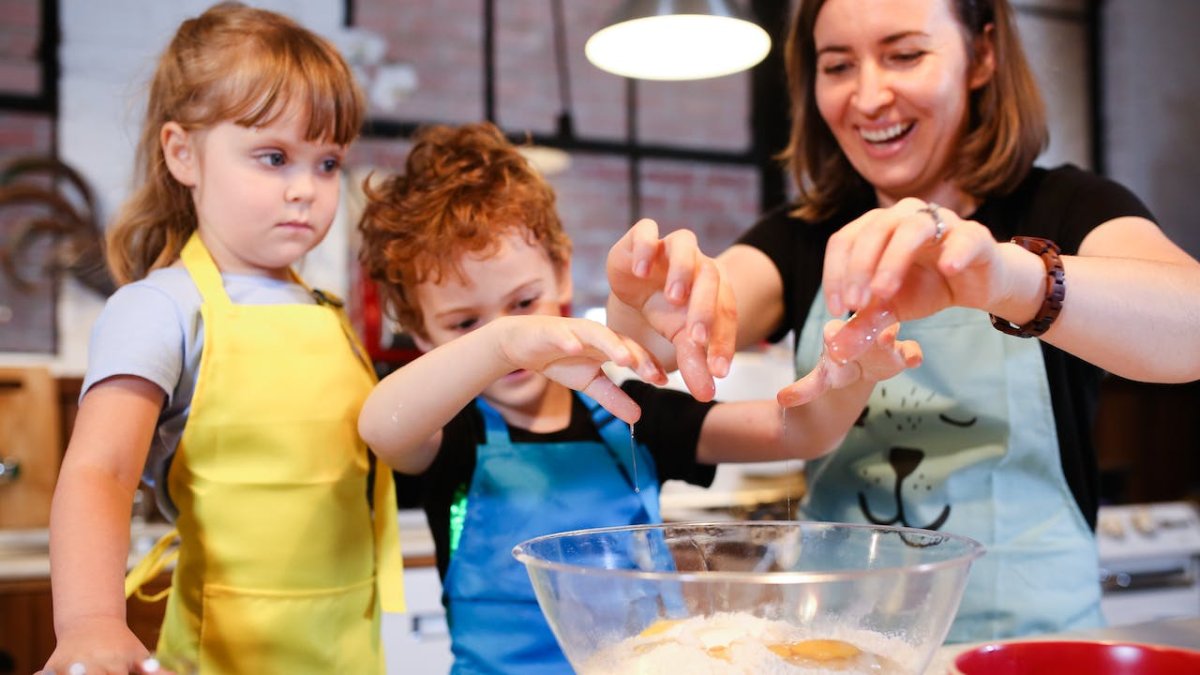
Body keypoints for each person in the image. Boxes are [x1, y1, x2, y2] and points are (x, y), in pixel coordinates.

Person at [605, 0, 1200, 644]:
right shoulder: (797, 239)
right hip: (840, 647)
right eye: (837, 66)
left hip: (1035, 649)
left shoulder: (1068, 208)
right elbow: (668, 338)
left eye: (905, 55)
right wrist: (643, 303)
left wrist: (1009, 279)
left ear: (983, 55)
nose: (868, 97)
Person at [356, 121, 922, 674]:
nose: (514, 339)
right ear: (422, 333)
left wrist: (856, 375)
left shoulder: (629, 416)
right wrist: (501, 343)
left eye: (523, 305)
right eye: (465, 325)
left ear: (560, 272)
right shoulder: (449, 437)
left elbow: (800, 431)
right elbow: (383, 426)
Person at [40, 4, 405, 674]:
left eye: (328, 163)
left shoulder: (326, 311)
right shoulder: (160, 308)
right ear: (183, 153)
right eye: (274, 157)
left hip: (351, 649)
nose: (307, 190)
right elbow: (101, 472)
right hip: (227, 654)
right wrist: (90, 622)